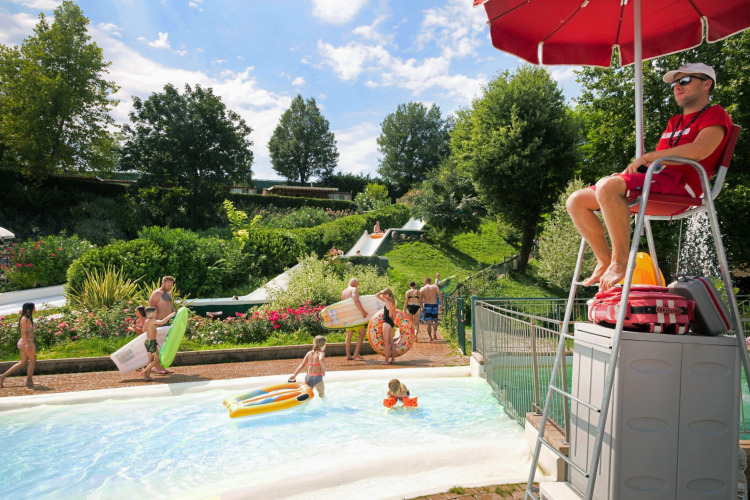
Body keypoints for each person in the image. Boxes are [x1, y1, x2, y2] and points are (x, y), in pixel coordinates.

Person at [567, 63, 733, 291]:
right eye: (675, 83)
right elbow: (660, 164)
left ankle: (621, 262)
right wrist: (631, 174)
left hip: (684, 188)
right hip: (660, 182)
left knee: (608, 187)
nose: (677, 87)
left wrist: (646, 158)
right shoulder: (674, 122)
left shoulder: (717, 114)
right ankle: (605, 260)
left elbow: (700, 150)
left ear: (706, 84)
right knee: (576, 201)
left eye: (684, 81)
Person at [0, 302, 38, 389]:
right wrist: (27, 344)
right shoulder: (25, 319)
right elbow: (23, 333)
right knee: (33, 360)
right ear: (29, 309)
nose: (35, 310)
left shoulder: (27, 318)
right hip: (27, 342)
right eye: (34, 308)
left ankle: (2, 376)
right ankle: (29, 381)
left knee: (24, 362)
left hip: (26, 342)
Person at [148, 276, 177, 374]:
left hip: (166, 323)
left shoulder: (169, 294)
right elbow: (150, 309)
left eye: (171, 285)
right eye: (168, 285)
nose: (170, 287)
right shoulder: (156, 294)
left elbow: (171, 307)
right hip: (158, 323)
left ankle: (161, 366)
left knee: (164, 346)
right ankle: (156, 367)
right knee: (158, 346)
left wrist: (174, 313)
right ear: (162, 283)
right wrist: (154, 322)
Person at [341, 278, 367, 360]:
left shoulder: (344, 292)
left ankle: (348, 355)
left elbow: (342, 304)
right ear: (355, 284)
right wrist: (363, 311)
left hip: (347, 316)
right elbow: (355, 299)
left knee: (349, 335)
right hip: (354, 315)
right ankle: (356, 353)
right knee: (362, 333)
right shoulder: (354, 289)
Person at [375, 288, 398, 364]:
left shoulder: (387, 301)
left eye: (384, 294)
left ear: (387, 294)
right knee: (391, 341)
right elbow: (394, 314)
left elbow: (376, 296)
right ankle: (393, 359)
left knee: (386, 342)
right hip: (391, 323)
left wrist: (380, 292)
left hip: (386, 323)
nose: (383, 296)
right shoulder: (392, 301)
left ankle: (386, 361)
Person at [420, 277, 443, 341]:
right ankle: (434, 333)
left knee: (428, 323)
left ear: (425, 282)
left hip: (427, 305)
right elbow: (440, 296)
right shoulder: (435, 287)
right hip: (434, 305)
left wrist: (422, 307)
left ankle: (430, 337)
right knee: (435, 321)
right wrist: (441, 304)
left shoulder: (422, 288)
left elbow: (420, 299)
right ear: (430, 281)